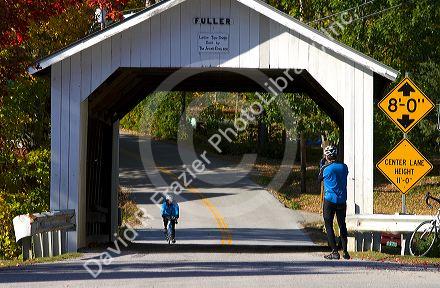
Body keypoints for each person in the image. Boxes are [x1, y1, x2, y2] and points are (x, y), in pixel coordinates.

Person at [318, 145, 350, 260]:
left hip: (329, 200)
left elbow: (319, 179)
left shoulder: (325, 168)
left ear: (327, 156)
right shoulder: (344, 167)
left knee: (329, 225)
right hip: (342, 200)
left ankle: (334, 251)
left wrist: (321, 165)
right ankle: (345, 251)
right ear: (336, 155)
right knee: (342, 224)